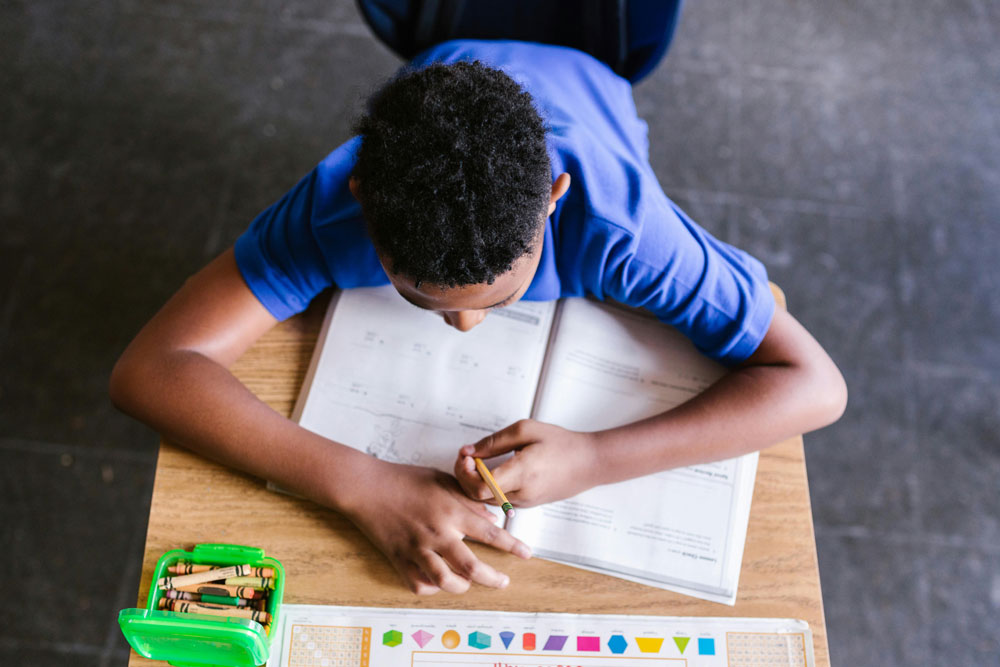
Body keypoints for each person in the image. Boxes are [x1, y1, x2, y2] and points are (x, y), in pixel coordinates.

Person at [110, 40, 847, 596]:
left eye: (494, 301)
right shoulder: (337, 202)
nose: (465, 328)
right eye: (424, 301)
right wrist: (362, 482)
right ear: (364, 200)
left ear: (556, 198)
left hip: (592, 71)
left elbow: (814, 383)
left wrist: (596, 458)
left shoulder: (620, 224)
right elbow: (151, 369)